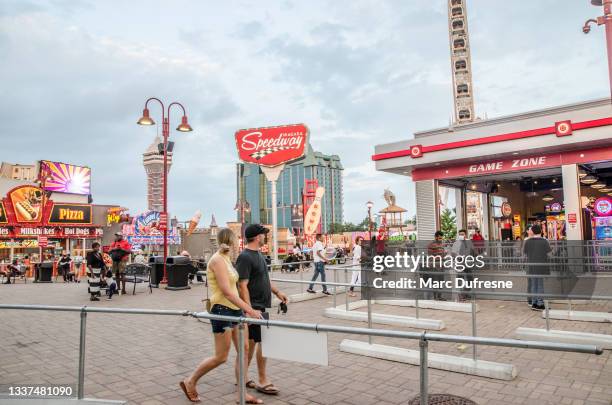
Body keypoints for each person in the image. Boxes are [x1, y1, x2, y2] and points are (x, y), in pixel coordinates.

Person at [181, 228, 263, 404]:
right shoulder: (217, 260)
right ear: (231, 241)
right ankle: (190, 381)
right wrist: (249, 310)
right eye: (236, 240)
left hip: (235, 310)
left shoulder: (226, 259)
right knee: (221, 356)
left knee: (244, 350)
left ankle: (242, 393)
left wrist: (244, 309)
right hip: (222, 310)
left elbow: (236, 288)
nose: (237, 244)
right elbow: (226, 292)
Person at [237, 224, 288, 397]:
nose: (265, 237)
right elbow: (242, 285)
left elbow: (264, 280)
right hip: (254, 308)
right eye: (264, 234)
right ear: (258, 237)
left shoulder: (258, 255)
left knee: (251, 346)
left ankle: (242, 378)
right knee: (263, 343)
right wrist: (249, 310)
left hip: (260, 306)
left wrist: (278, 292)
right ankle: (262, 380)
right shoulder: (245, 257)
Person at [522, 224, 551, 311]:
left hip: (531, 266)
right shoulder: (544, 241)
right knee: (540, 285)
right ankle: (540, 304)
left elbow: (525, 253)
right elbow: (549, 253)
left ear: (533, 232)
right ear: (541, 231)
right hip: (541, 266)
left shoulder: (528, 241)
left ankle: (534, 303)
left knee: (533, 285)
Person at [451, 229, 475, 301]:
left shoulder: (469, 242)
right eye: (460, 234)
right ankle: (460, 295)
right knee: (460, 279)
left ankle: (465, 293)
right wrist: (458, 257)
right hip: (459, 263)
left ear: (465, 235)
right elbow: (453, 253)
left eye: (463, 234)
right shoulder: (456, 243)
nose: (461, 235)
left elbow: (473, 251)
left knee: (470, 279)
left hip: (468, 263)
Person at [426, 231, 446, 300]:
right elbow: (430, 256)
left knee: (441, 281)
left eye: (441, 237)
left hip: (441, 264)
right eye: (439, 237)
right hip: (434, 265)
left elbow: (443, 254)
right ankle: (435, 297)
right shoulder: (431, 245)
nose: (440, 239)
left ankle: (440, 296)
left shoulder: (442, 244)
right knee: (435, 281)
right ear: (436, 237)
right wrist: (432, 265)